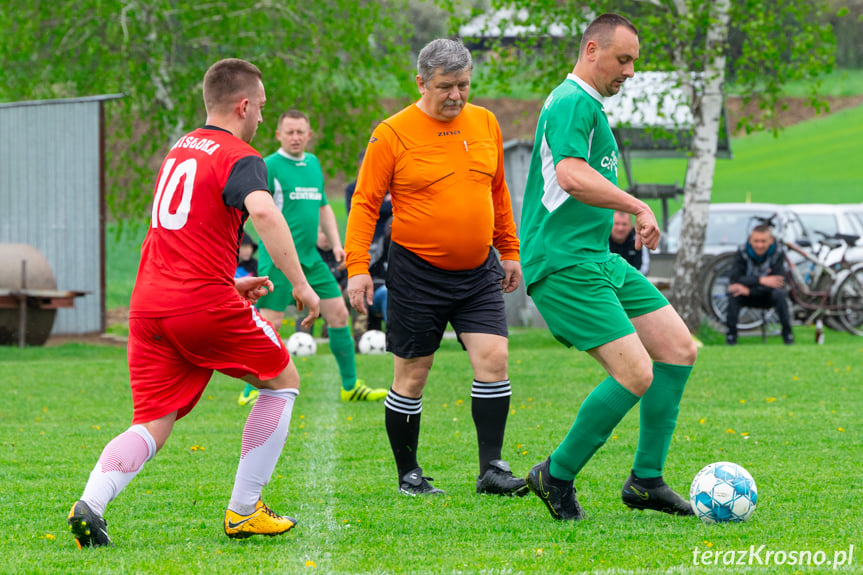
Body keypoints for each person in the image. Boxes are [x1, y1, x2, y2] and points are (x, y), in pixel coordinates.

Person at [67, 58, 321, 548]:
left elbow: (187, 231)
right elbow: (263, 210)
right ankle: (245, 511)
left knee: (153, 420)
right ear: (243, 105)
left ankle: (90, 505)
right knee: (283, 379)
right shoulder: (240, 156)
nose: (263, 120)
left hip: (149, 305)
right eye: (262, 109)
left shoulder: (181, 147)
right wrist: (303, 284)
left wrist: (228, 282)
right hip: (197, 304)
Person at [518, 13, 698, 521]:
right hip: (564, 262)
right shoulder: (573, 100)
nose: (631, 71)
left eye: (635, 61)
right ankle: (556, 474)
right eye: (623, 59)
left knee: (678, 349)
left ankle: (646, 480)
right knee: (636, 372)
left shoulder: (590, 106)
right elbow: (572, 175)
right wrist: (638, 206)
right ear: (592, 50)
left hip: (597, 259)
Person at [345, 38, 527, 497]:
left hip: (478, 271)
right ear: (421, 82)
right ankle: (409, 474)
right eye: (446, 87)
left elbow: (499, 192)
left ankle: (492, 470)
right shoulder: (392, 132)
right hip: (417, 272)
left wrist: (509, 250)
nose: (457, 96)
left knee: (494, 359)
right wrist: (357, 267)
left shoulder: (485, 122)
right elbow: (365, 203)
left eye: (464, 85)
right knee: (413, 372)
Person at [254, 110, 387, 402]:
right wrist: (273, 252)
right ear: (278, 135)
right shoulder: (269, 166)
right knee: (270, 323)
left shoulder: (313, 164)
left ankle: (351, 386)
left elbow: (324, 206)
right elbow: (258, 213)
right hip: (278, 260)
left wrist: (337, 244)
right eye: (289, 132)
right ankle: (251, 390)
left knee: (339, 314)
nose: (295, 137)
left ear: (309, 134)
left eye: (301, 131)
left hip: (311, 259)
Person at [725, 224, 794, 345]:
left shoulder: (778, 252)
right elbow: (735, 279)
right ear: (750, 240)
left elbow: (778, 282)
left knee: (780, 294)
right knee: (734, 294)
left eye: (763, 241)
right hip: (746, 295)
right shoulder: (742, 251)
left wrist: (750, 289)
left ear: (771, 241)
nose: (759, 245)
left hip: (766, 295)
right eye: (756, 241)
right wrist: (761, 280)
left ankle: (787, 335)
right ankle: (731, 336)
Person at [609, 210, 650, 275]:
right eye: (616, 224)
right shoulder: (603, 240)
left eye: (624, 224)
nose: (620, 228)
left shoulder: (639, 239)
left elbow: (644, 268)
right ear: (610, 224)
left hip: (633, 282)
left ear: (630, 226)